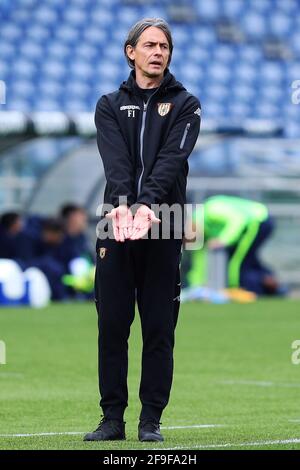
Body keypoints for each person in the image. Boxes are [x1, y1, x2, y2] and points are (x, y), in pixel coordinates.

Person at [84, 18, 200, 443]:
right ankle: (111, 419)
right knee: (112, 327)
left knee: (158, 329)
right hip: (115, 224)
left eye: (164, 46)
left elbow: (171, 160)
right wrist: (122, 208)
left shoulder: (187, 104)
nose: (158, 52)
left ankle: (150, 420)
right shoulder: (109, 104)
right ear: (130, 51)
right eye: (149, 45)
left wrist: (147, 206)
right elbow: (116, 163)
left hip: (163, 224)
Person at [187, 195, 281, 296]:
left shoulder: (211, 210)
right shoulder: (197, 234)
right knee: (247, 261)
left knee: (237, 262)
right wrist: (196, 286)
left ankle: (237, 289)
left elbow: (238, 220)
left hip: (258, 220)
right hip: (248, 225)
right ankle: (269, 281)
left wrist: (223, 240)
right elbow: (199, 262)